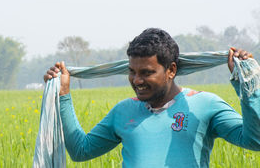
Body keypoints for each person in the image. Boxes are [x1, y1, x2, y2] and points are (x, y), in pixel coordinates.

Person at [44, 28, 260, 168]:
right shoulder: (123, 111)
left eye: (146, 73)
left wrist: (246, 84)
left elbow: (254, 141)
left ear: (171, 70)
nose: (136, 80)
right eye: (132, 72)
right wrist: (63, 95)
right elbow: (81, 150)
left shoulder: (204, 105)